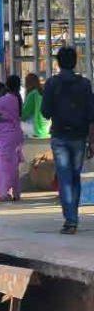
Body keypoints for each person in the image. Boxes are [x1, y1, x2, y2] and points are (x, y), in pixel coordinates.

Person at [40, 46, 94, 234]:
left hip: (60, 136)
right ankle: (73, 217)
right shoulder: (85, 84)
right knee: (75, 177)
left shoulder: (52, 84)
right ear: (75, 62)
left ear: (58, 62)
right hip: (79, 137)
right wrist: (91, 141)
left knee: (64, 179)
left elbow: (45, 112)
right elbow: (91, 114)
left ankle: (70, 220)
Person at [0, 80, 24, 202]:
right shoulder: (16, 98)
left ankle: (4, 193)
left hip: (5, 137)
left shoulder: (2, 101)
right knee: (13, 164)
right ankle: (16, 192)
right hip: (15, 135)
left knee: (4, 165)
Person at [21, 73, 51, 139]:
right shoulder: (42, 92)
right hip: (46, 128)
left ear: (27, 83)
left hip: (37, 128)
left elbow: (24, 114)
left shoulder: (32, 94)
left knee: (14, 125)